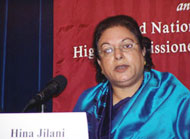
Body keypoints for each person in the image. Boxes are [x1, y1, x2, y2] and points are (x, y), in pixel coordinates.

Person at [73, 15, 190, 139]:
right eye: (107, 50)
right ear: (100, 64)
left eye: (127, 46)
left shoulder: (172, 96)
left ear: (143, 51)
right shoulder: (88, 102)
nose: (118, 55)